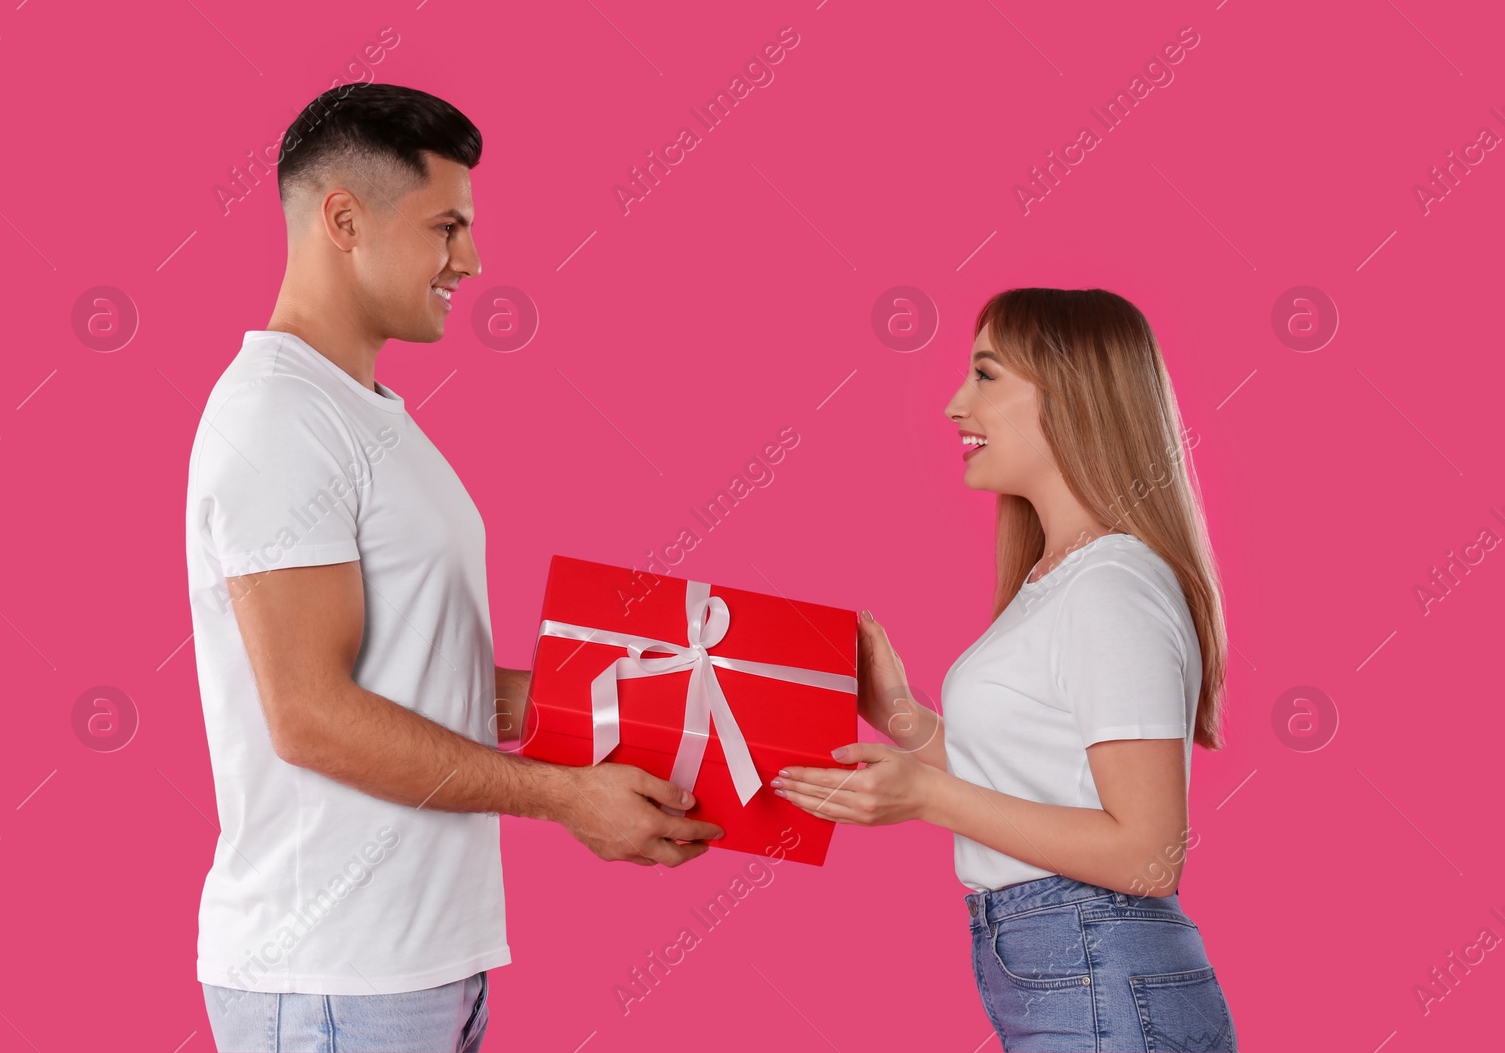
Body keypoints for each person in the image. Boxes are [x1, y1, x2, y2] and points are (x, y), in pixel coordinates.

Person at [183, 82, 722, 1053]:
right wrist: (564, 796)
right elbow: (309, 714)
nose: (469, 261)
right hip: (335, 978)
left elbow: (425, 682)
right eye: (446, 227)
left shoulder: (366, 415)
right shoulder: (278, 419)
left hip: (417, 965)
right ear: (344, 219)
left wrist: (671, 713)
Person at [774, 288, 1238, 1052]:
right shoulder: (1058, 579)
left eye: (986, 375)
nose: (957, 405)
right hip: (1070, 965)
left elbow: (1147, 851)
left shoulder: (1111, 585)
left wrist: (925, 795)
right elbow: (1031, 777)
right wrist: (894, 709)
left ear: (1069, 394)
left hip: (1097, 964)